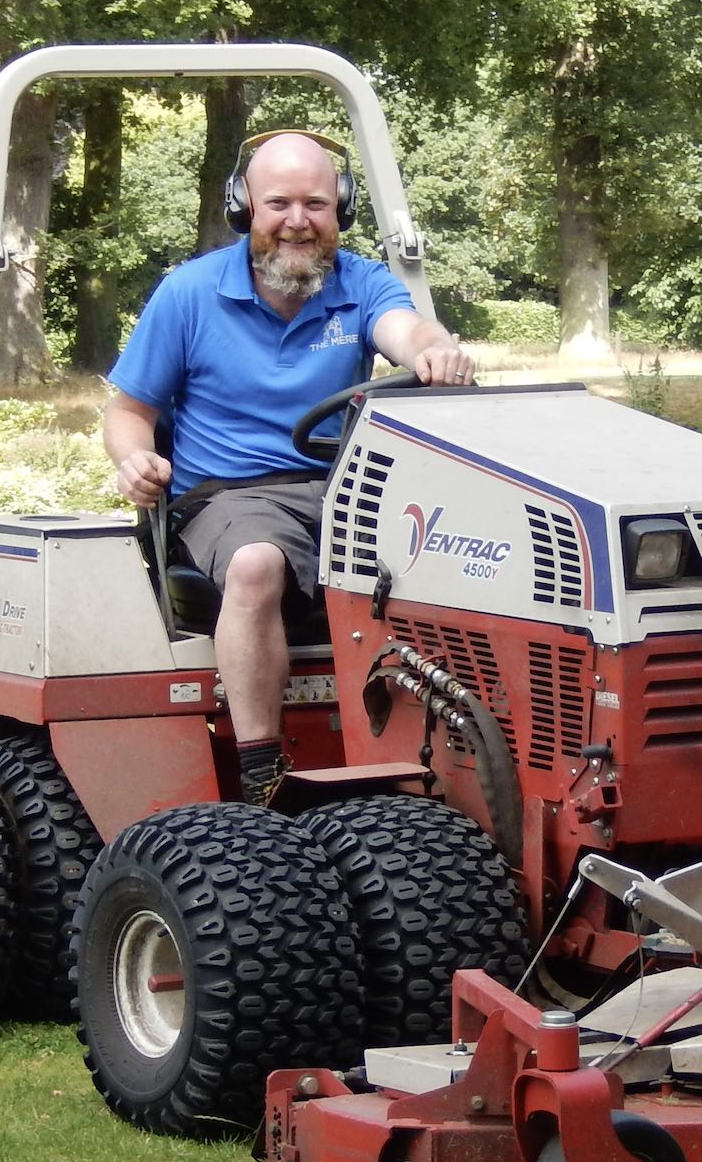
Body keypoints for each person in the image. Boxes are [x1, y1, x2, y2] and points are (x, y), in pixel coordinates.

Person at [103, 131, 475, 801]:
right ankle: (260, 772)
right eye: (279, 203)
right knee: (255, 562)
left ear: (342, 210)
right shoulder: (189, 295)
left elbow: (406, 331)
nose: (297, 221)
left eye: (315, 203)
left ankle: (451, 757)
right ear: (245, 206)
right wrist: (135, 458)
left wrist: (434, 349)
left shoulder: (361, 284)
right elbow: (128, 411)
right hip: (227, 497)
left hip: (341, 491)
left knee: (467, 550)